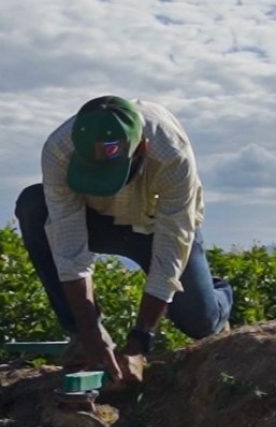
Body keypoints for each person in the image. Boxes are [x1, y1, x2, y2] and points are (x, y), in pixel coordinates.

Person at [14, 95, 233, 388]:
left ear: (141, 149)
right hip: (100, 222)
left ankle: (216, 291)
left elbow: (169, 251)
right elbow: (68, 242)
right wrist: (89, 328)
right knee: (33, 207)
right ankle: (78, 337)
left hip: (158, 225)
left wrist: (139, 342)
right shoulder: (59, 150)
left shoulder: (172, 153)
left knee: (201, 322)